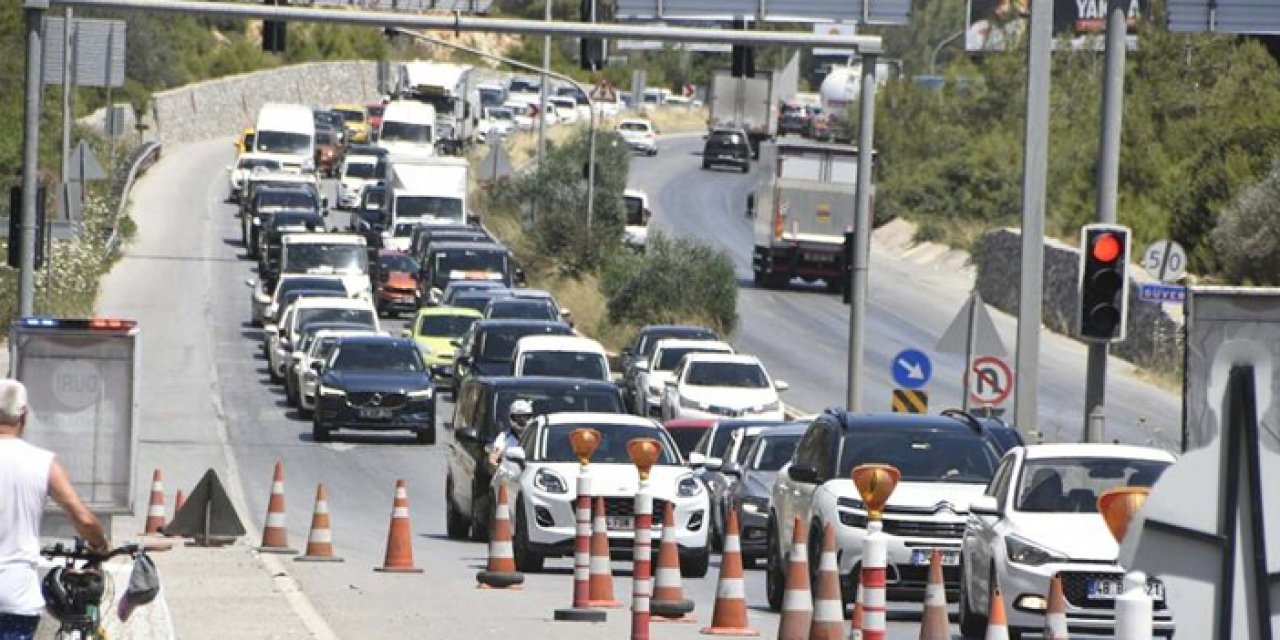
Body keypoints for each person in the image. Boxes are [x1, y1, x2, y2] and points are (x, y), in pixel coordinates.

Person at [0, 379, 109, 640]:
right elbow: (82, 518)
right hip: (13, 595)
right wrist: (99, 544)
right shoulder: (41, 463)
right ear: (24, 415)